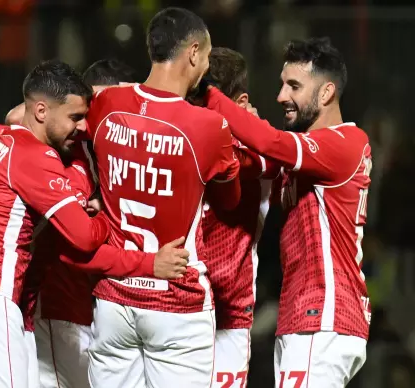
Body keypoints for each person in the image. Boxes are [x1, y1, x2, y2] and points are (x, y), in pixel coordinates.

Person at [0, 59, 190, 388]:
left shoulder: (8, 141)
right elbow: (83, 240)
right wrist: (105, 213)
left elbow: (20, 114)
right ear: (42, 111)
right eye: (76, 117)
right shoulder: (41, 157)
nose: (84, 125)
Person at [84, 7, 241, 388]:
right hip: (176, 302)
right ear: (192, 52)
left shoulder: (106, 106)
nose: (205, 67)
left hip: (114, 299)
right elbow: (231, 201)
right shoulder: (208, 127)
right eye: (205, 56)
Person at [203, 37, 371, 387]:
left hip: (324, 312)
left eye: (294, 85)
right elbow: (254, 159)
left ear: (326, 93)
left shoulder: (345, 143)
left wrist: (207, 93)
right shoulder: (305, 159)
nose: (281, 96)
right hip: (305, 316)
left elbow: (270, 142)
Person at [26, 59, 137, 388]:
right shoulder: (66, 152)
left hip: (102, 311)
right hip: (58, 307)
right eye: (97, 106)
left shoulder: (130, 154)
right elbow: (18, 114)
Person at [192, 47, 281, 388]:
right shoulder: (179, 136)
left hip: (229, 311)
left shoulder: (263, 150)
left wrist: (246, 128)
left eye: (206, 104)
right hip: (177, 304)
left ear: (238, 103)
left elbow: (266, 160)